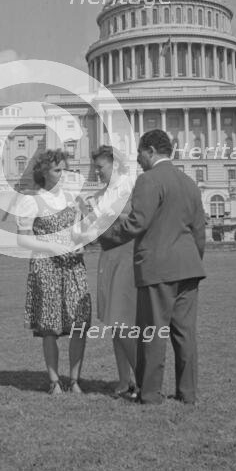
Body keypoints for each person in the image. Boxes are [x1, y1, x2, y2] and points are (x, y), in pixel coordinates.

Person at [80, 130, 206, 405]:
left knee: (153, 333)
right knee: (185, 335)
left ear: (150, 150)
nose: (137, 159)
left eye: (140, 153)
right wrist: (194, 260)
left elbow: (137, 223)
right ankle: (188, 393)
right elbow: (199, 232)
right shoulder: (189, 182)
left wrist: (103, 233)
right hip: (189, 267)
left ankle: (150, 394)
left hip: (157, 268)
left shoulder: (148, 180)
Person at [16, 149, 91, 395]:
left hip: (73, 267)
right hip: (46, 267)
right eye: (58, 170)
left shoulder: (73, 198)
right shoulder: (31, 200)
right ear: (44, 173)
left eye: (64, 169)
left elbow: (81, 232)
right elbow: (24, 241)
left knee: (78, 324)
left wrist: (81, 243)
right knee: (50, 327)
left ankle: (75, 380)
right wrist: (53, 248)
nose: (63, 174)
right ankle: (54, 381)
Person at [81, 146, 137, 398]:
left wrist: (101, 217)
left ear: (114, 166)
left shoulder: (129, 190)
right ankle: (125, 379)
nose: (97, 171)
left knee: (123, 322)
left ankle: (143, 377)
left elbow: (133, 223)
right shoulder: (100, 195)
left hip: (126, 258)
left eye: (100, 167)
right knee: (115, 325)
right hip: (108, 259)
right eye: (95, 166)